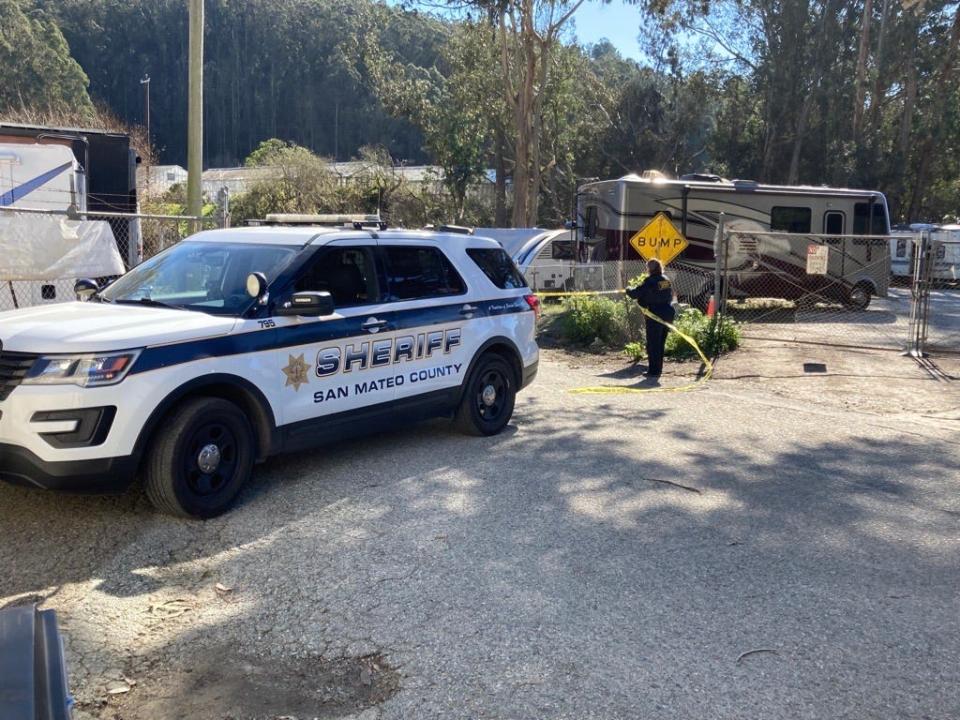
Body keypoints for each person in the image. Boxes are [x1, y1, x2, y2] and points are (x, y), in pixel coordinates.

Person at [626, 258, 675, 377]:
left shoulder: (650, 281)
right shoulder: (666, 280)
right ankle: (658, 370)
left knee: (653, 344)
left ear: (649, 269)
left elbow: (635, 294)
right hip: (667, 313)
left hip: (655, 315)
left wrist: (627, 289)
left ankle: (653, 371)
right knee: (660, 343)